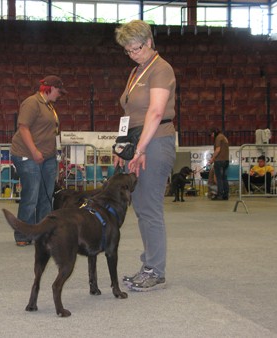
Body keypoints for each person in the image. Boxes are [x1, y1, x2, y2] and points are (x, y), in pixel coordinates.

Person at [114, 20, 176, 292]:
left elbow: (155, 112)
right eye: (127, 50)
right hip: (137, 142)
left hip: (155, 142)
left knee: (150, 209)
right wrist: (121, 147)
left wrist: (139, 150)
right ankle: (147, 264)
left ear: (149, 42)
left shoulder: (161, 69)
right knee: (140, 208)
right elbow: (128, 115)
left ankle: (155, 270)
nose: (132, 53)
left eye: (136, 48)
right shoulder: (136, 71)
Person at [10, 75, 67, 246]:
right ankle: (22, 234)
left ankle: (43, 233)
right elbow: (23, 128)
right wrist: (34, 151)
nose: (60, 95)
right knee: (31, 195)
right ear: (49, 88)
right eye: (59, 91)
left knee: (46, 196)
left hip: (47, 157)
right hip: (27, 155)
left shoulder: (49, 106)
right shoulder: (32, 102)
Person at [208, 128, 229, 200]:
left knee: (219, 179)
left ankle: (220, 195)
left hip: (219, 161)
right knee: (224, 178)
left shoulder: (218, 137)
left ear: (214, 132)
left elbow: (218, 150)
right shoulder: (224, 137)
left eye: (211, 134)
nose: (211, 136)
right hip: (226, 160)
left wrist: (212, 159)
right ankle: (225, 195)